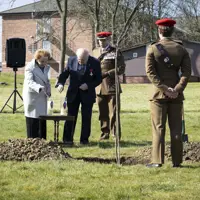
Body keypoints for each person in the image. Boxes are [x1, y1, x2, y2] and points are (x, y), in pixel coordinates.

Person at [145, 18, 191, 168]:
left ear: (159, 30)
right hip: (176, 96)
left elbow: (150, 73)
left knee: (158, 128)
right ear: (173, 30)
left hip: (158, 95)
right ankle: (177, 162)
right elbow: (186, 72)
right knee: (176, 129)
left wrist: (164, 88)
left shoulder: (152, 49)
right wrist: (177, 89)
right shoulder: (181, 49)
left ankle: (157, 161)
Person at [56, 48, 102, 145]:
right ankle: (67, 140)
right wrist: (61, 83)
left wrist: (88, 85)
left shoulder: (95, 62)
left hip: (87, 94)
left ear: (88, 57)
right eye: (79, 60)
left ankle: (84, 140)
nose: (81, 62)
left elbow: (98, 79)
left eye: (83, 60)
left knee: (86, 117)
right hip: (73, 93)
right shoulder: (71, 60)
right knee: (70, 117)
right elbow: (65, 74)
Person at [92, 31, 126, 140]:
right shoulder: (94, 52)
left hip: (111, 85)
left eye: (104, 40)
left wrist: (107, 73)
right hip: (98, 86)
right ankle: (104, 133)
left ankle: (115, 134)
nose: (101, 42)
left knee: (114, 112)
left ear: (108, 40)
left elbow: (121, 69)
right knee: (102, 112)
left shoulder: (116, 52)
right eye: (99, 40)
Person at [23, 49, 51, 139]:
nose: (44, 63)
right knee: (33, 118)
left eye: (46, 61)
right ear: (37, 59)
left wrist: (49, 90)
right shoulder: (29, 67)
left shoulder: (47, 67)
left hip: (42, 96)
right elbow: (29, 82)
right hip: (33, 97)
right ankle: (32, 141)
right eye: (42, 61)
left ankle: (43, 141)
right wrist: (38, 87)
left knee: (42, 118)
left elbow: (47, 81)